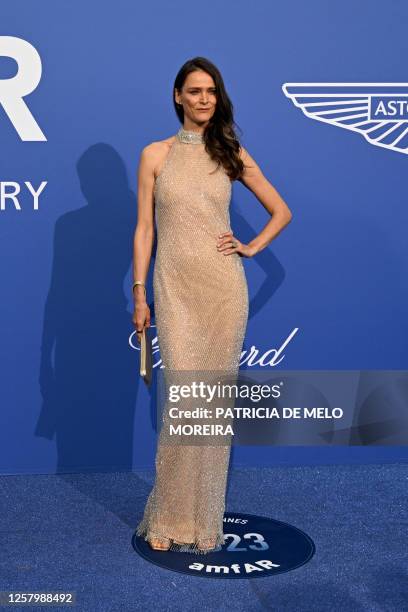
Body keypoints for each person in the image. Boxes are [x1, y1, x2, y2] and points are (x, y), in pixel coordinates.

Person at [133, 57, 292, 554]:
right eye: (195, 90)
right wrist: (139, 291)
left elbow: (281, 210)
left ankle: (202, 521)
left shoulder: (231, 153)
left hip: (223, 290)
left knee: (210, 410)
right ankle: (169, 517)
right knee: (184, 402)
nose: (204, 98)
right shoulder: (154, 155)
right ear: (177, 96)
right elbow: (145, 229)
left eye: (211, 91)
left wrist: (251, 245)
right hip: (175, 289)